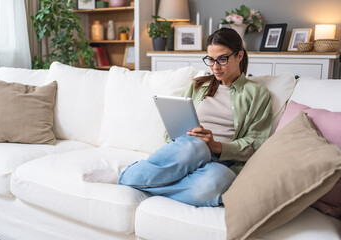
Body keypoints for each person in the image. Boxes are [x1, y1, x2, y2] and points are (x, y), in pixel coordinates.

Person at [83, 28, 273, 207]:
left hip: (223, 161)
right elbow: (170, 133)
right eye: (210, 59)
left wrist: (216, 146)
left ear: (239, 55)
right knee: (196, 146)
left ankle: (133, 180)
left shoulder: (257, 93)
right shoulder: (199, 86)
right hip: (188, 149)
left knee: (215, 184)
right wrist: (190, 137)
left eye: (222, 59)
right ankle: (128, 177)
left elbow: (255, 144)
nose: (215, 67)